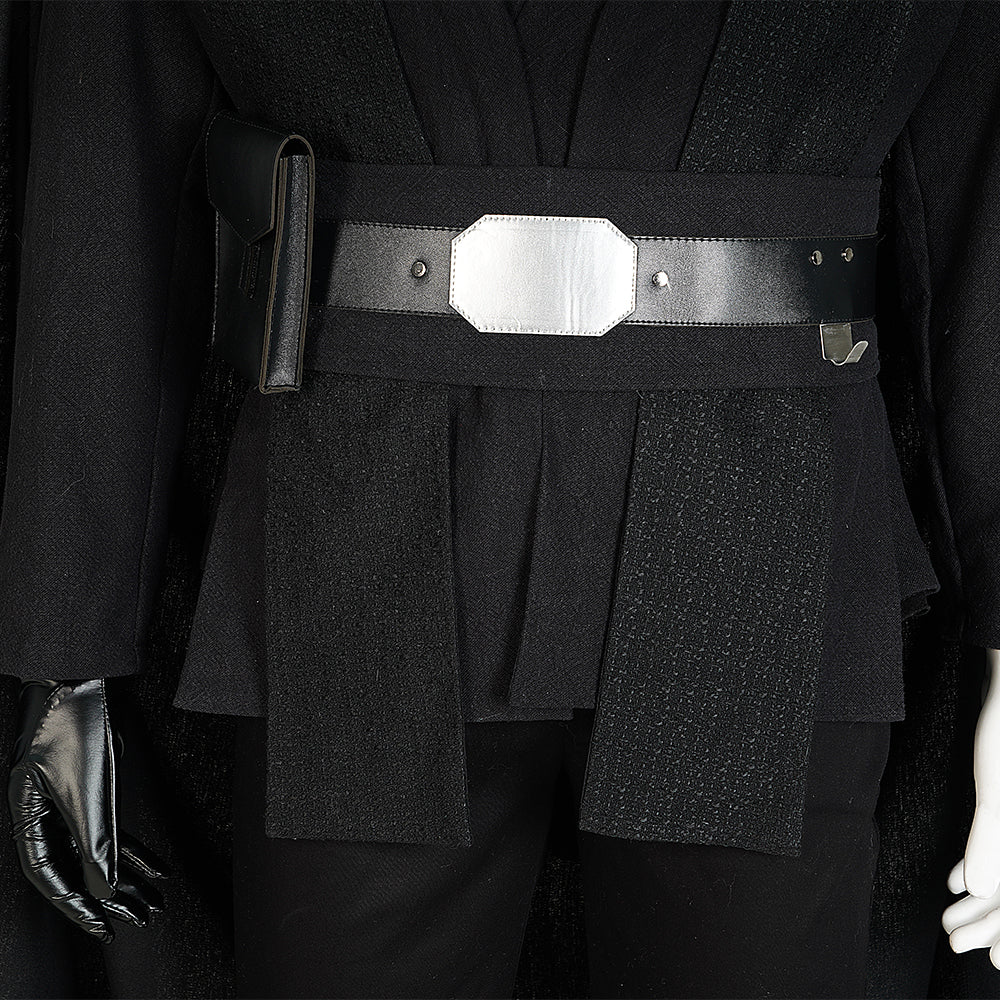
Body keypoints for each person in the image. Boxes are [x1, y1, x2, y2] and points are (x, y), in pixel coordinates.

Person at [3, 2, 1000, 997]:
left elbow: (982, 208)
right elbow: (109, 169)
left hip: (761, 535)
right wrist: (64, 648)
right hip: (357, 543)